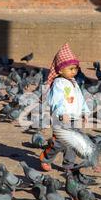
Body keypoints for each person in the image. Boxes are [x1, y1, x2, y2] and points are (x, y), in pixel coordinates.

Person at [39, 43, 90, 172]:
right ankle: (45, 157)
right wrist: (62, 113)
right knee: (60, 142)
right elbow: (56, 100)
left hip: (75, 118)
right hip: (61, 117)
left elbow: (80, 99)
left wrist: (84, 111)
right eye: (71, 69)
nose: (74, 71)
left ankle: (68, 165)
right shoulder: (58, 83)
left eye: (76, 68)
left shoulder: (74, 83)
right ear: (60, 70)